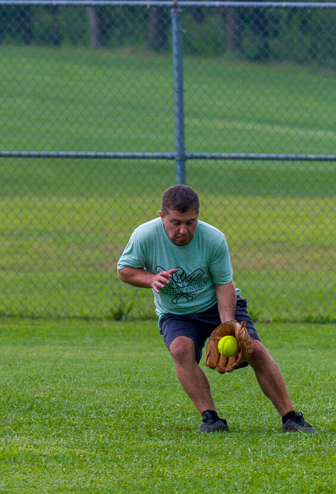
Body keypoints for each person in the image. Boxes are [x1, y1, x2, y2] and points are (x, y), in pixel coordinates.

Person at [116, 184, 316, 434]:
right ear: (161, 216)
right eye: (175, 222)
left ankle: (291, 418)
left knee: (256, 350)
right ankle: (211, 419)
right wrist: (150, 279)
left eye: (190, 222)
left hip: (215, 305)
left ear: (198, 216)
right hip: (176, 313)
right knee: (180, 350)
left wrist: (227, 324)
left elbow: (224, 283)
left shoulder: (213, 239)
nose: (183, 230)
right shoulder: (145, 235)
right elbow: (124, 270)